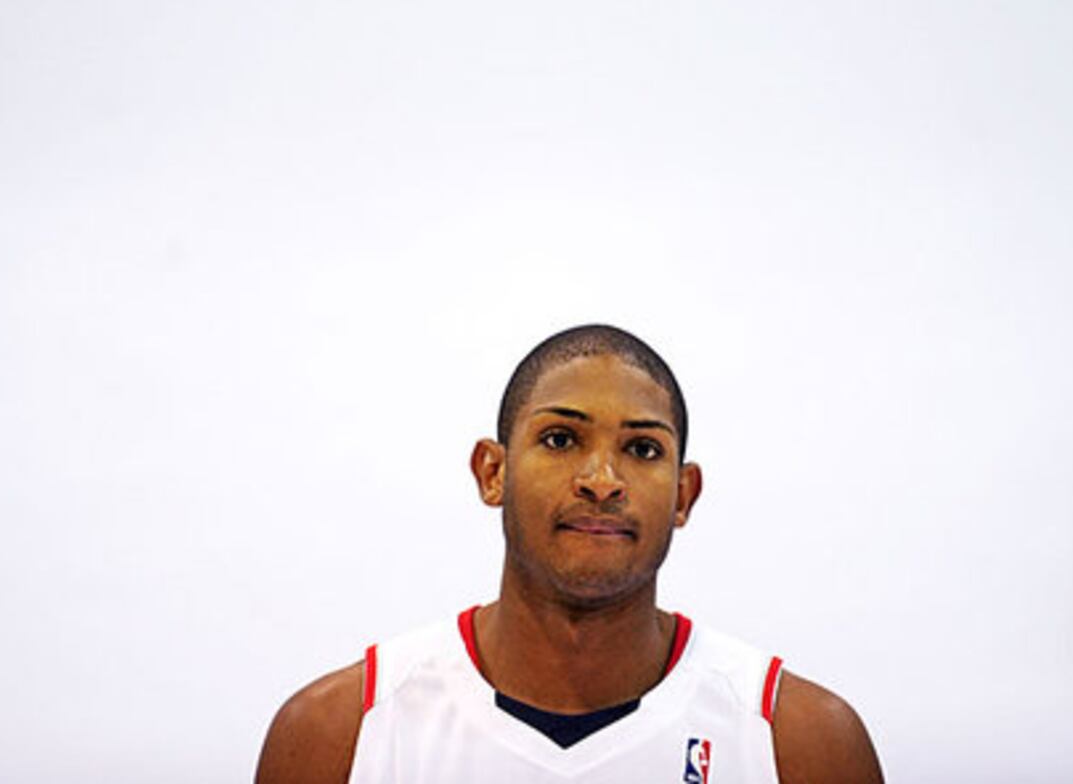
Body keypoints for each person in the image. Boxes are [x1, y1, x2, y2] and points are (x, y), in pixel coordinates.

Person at [256, 324, 884, 783]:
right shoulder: (341, 733)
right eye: (560, 439)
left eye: (642, 449)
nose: (601, 480)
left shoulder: (799, 743)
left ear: (683, 494)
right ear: (492, 472)